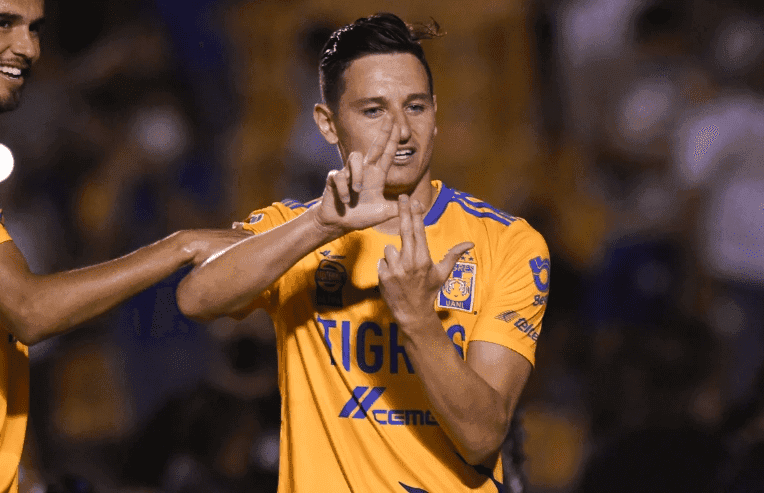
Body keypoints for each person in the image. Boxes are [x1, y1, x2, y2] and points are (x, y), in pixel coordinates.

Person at [177, 13, 550, 492]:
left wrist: (418, 320)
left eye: (415, 106)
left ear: (436, 112)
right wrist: (320, 225)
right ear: (328, 124)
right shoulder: (295, 231)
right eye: (374, 111)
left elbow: (482, 437)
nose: (401, 131)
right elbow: (196, 298)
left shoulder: (507, 242)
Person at [0, 2, 248, 491]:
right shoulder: (100, 152)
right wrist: (175, 240)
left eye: (36, 29)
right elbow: (31, 308)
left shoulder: (195, 152)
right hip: (139, 320)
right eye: (6, 23)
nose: (29, 47)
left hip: (184, 315)